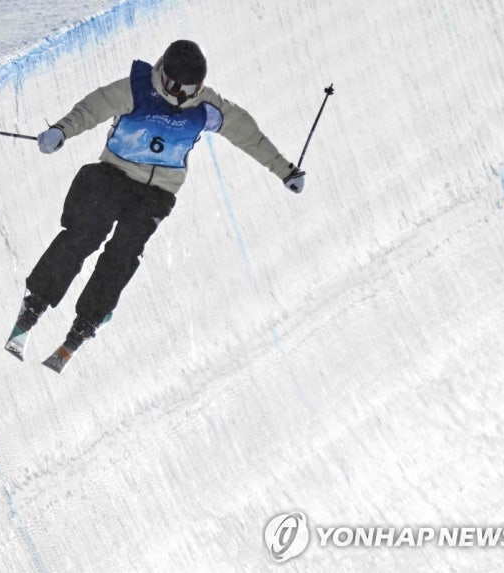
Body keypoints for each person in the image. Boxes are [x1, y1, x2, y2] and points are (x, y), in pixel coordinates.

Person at [16, 39, 305, 353]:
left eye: (191, 89)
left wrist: (286, 170)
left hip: (157, 192)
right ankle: (37, 300)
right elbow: (93, 107)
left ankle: (89, 318)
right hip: (114, 175)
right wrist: (61, 130)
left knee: (124, 252)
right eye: (175, 86)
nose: (182, 95)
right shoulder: (138, 88)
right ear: (163, 74)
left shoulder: (207, 107)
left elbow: (249, 136)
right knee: (85, 231)